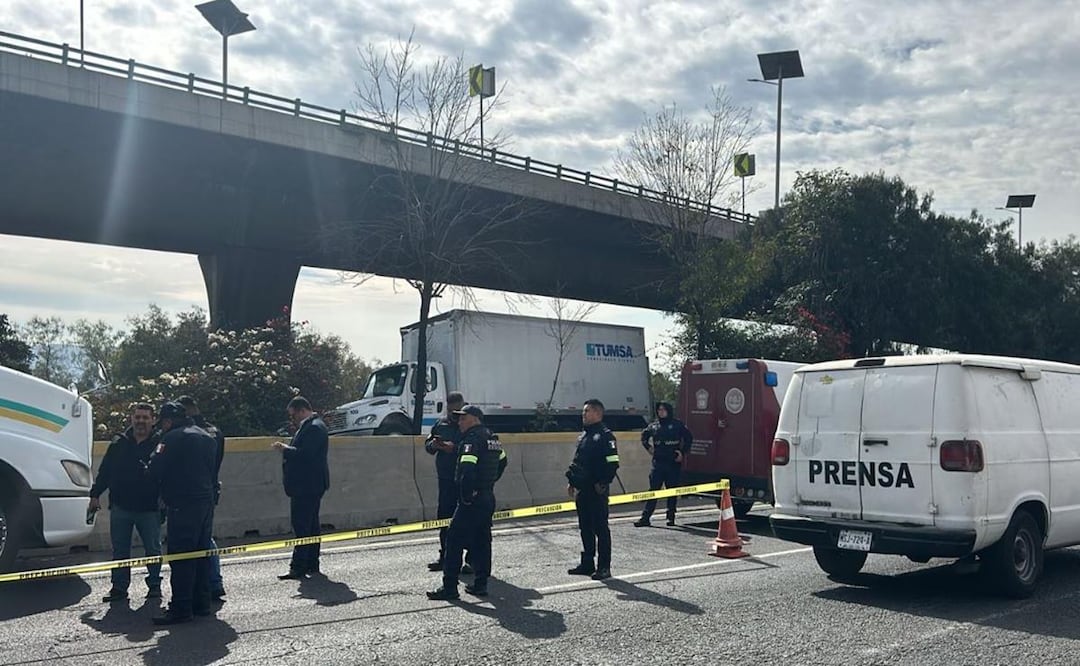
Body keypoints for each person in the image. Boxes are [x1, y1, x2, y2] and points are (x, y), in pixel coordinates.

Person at [146, 401, 219, 625]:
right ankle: (202, 603)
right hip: (205, 502)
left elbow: (155, 467)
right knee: (201, 553)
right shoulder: (206, 436)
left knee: (181, 556)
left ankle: (181, 607)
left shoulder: (171, 438)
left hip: (183, 503)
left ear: (167, 421)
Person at [427, 405, 507, 601]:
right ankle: (480, 585)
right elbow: (503, 461)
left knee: (453, 540)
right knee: (482, 540)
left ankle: (449, 588)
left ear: (474, 419)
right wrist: (488, 482)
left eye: (463, 418)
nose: (460, 422)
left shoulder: (471, 440)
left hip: (472, 500)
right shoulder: (492, 438)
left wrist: (467, 495)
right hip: (487, 496)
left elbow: (466, 470)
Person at [89, 403, 163, 602]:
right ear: (132, 419)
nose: (140, 421)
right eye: (137, 417)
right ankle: (119, 588)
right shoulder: (118, 443)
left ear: (153, 420)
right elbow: (105, 471)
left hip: (149, 508)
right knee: (120, 550)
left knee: (153, 550)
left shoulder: (161, 443)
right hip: (121, 507)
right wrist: (95, 495)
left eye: (145, 418)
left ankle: (155, 586)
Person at [272, 396, 330, 580]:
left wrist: (285, 449)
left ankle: (298, 567)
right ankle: (311, 563)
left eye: (293, 415)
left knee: (302, 526)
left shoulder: (314, 428)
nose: (293, 419)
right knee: (311, 526)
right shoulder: (312, 426)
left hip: (307, 486)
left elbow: (306, 455)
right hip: (310, 484)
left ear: (302, 410)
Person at [177, 395, 226, 603]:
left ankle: (208, 584)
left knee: (198, 541)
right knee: (206, 538)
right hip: (210, 490)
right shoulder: (214, 431)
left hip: (192, 494)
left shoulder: (188, 434)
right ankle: (213, 583)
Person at [566, 398, 620, 580]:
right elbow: (578, 462)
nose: (584, 414)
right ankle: (587, 563)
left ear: (598, 413)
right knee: (585, 527)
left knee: (600, 528)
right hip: (583, 489)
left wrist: (604, 483)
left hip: (597, 490)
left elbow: (613, 463)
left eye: (587, 411)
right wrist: (572, 481)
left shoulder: (606, 436)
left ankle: (604, 567)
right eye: (583, 411)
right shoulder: (584, 435)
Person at [423, 391, 474, 573]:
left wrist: (454, 448)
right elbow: (428, 444)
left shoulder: (470, 425)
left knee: (467, 521)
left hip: (464, 480)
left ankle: (470, 560)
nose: (455, 416)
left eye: (457, 412)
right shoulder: (441, 423)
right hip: (445, 479)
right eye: (451, 411)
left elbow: (474, 446)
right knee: (444, 519)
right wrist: (435, 445)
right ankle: (445, 556)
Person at [635, 401, 693, 527]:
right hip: (658, 463)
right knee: (653, 490)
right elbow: (644, 436)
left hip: (672, 463)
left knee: (671, 491)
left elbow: (689, 438)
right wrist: (648, 447)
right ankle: (645, 517)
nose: (661, 412)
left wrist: (682, 453)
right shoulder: (654, 426)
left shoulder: (677, 425)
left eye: (663, 410)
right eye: (659, 410)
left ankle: (670, 517)